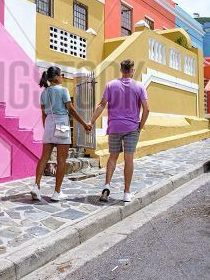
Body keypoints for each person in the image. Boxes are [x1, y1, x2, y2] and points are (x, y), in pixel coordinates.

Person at [89, 59, 149, 202]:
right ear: (132, 70)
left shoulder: (111, 85)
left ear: (121, 70)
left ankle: (107, 185)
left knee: (112, 157)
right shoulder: (139, 86)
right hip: (132, 127)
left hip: (114, 126)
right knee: (129, 159)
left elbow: (102, 105)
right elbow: (147, 109)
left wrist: (91, 121)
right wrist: (140, 126)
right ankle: (126, 192)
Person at [31, 66, 92, 202]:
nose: (62, 77)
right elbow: (71, 110)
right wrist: (84, 124)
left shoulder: (44, 93)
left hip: (49, 124)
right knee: (61, 160)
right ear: (57, 76)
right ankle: (57, 193)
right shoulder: (63, 91)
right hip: (62, 125)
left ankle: (36, 186)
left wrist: (47, 128)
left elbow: (43, 114)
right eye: (61, 75)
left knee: (44, 158)